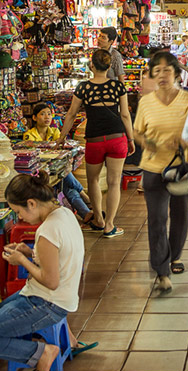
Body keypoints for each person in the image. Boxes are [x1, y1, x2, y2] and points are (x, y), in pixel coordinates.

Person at [0, 172, 97, 371]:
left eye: (18, 211)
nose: (20, 218)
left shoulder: (46, 231)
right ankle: (65, 341)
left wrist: (21, 261)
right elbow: (59, 260)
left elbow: (51, 281)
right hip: (53, 297)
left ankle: (41, 352)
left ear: (32, 203)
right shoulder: (64, 214)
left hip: (46, 303)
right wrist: (28, 252)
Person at [134, 51, 188, 294]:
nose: (162, 75)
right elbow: (137, 132)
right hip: (154, 168)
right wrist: (147, 143)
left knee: (181, 215)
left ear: (177, 74)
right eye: (157, 71)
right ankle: (162, 271)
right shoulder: (146, 102)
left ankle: (175, 255)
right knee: (156, 218)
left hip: (182, 168)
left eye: (167, 70)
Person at [57, 49, 135, 238]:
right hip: (117, 138)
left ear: (92, 65)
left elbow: (71, 114)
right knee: (114, 182)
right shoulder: (118, 87)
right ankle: (109, 226)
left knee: (92, 181)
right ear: (109, 67)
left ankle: (99, 220)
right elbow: (125, 114)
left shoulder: (83, 88)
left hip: (94, 140)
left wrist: (61, 138)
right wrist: (131, 138)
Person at [25, 103, 95, 227]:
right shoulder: (29, 135)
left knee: (66, 182)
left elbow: (61, 150)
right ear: (34, 118)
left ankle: (86, 214)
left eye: (49, 114)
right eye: (42, 114)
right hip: (40, 172)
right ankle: (84, 197)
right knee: (65, 175)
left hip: (54, 169)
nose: (47, 117)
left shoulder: (55, 131)